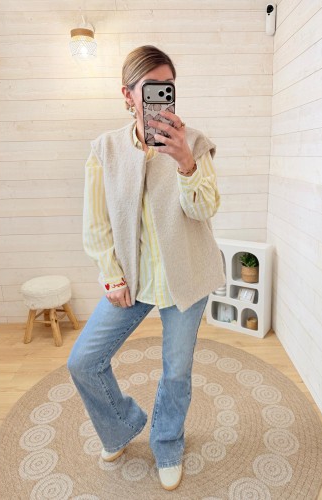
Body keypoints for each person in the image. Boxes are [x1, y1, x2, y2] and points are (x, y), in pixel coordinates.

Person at [67, 45, 225, 492]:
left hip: (186, 276)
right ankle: (121, 425)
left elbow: (205, 209)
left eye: (168, 87)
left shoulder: (193, 143)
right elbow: (96, 222)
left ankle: (167, 443)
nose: (162, 96)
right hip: (132, 281)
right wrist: (111, 275)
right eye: (152, 88)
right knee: (84, 361)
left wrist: (185, 162)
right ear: (128, 95)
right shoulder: (105, 149)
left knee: (176, 371)